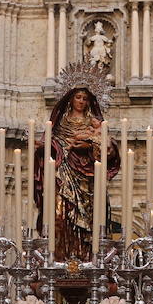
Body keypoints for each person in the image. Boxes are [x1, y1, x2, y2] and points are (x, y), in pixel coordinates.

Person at [37, 83, 121, 260]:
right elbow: (50, 144)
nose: (81, 101)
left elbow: (109, 150)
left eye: (85, 98)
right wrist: (47, 147)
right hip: (62, 174)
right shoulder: (60, 122)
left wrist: (89, 146)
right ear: (70, 98)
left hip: (87, 178)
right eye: (78, 97)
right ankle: (60, 257)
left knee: (91, 217)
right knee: (60, 214)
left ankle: (87, 258)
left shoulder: (94, 123)